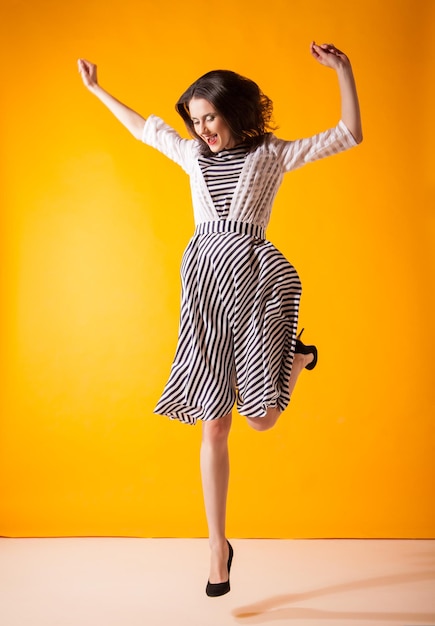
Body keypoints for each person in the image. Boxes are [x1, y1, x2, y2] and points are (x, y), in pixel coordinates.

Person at [77, 42, 362, 597]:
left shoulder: (272, 155)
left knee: (260, 419)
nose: (203, 128)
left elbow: (349, 133)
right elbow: (145, 128)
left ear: (234, 111)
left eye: (211, 116)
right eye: (197, 119)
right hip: (205, 291)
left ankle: (298, 359)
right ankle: (217, 546)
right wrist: (96, 90)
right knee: (216, 421)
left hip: (255, 284)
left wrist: (344, 71)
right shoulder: (190, 155)